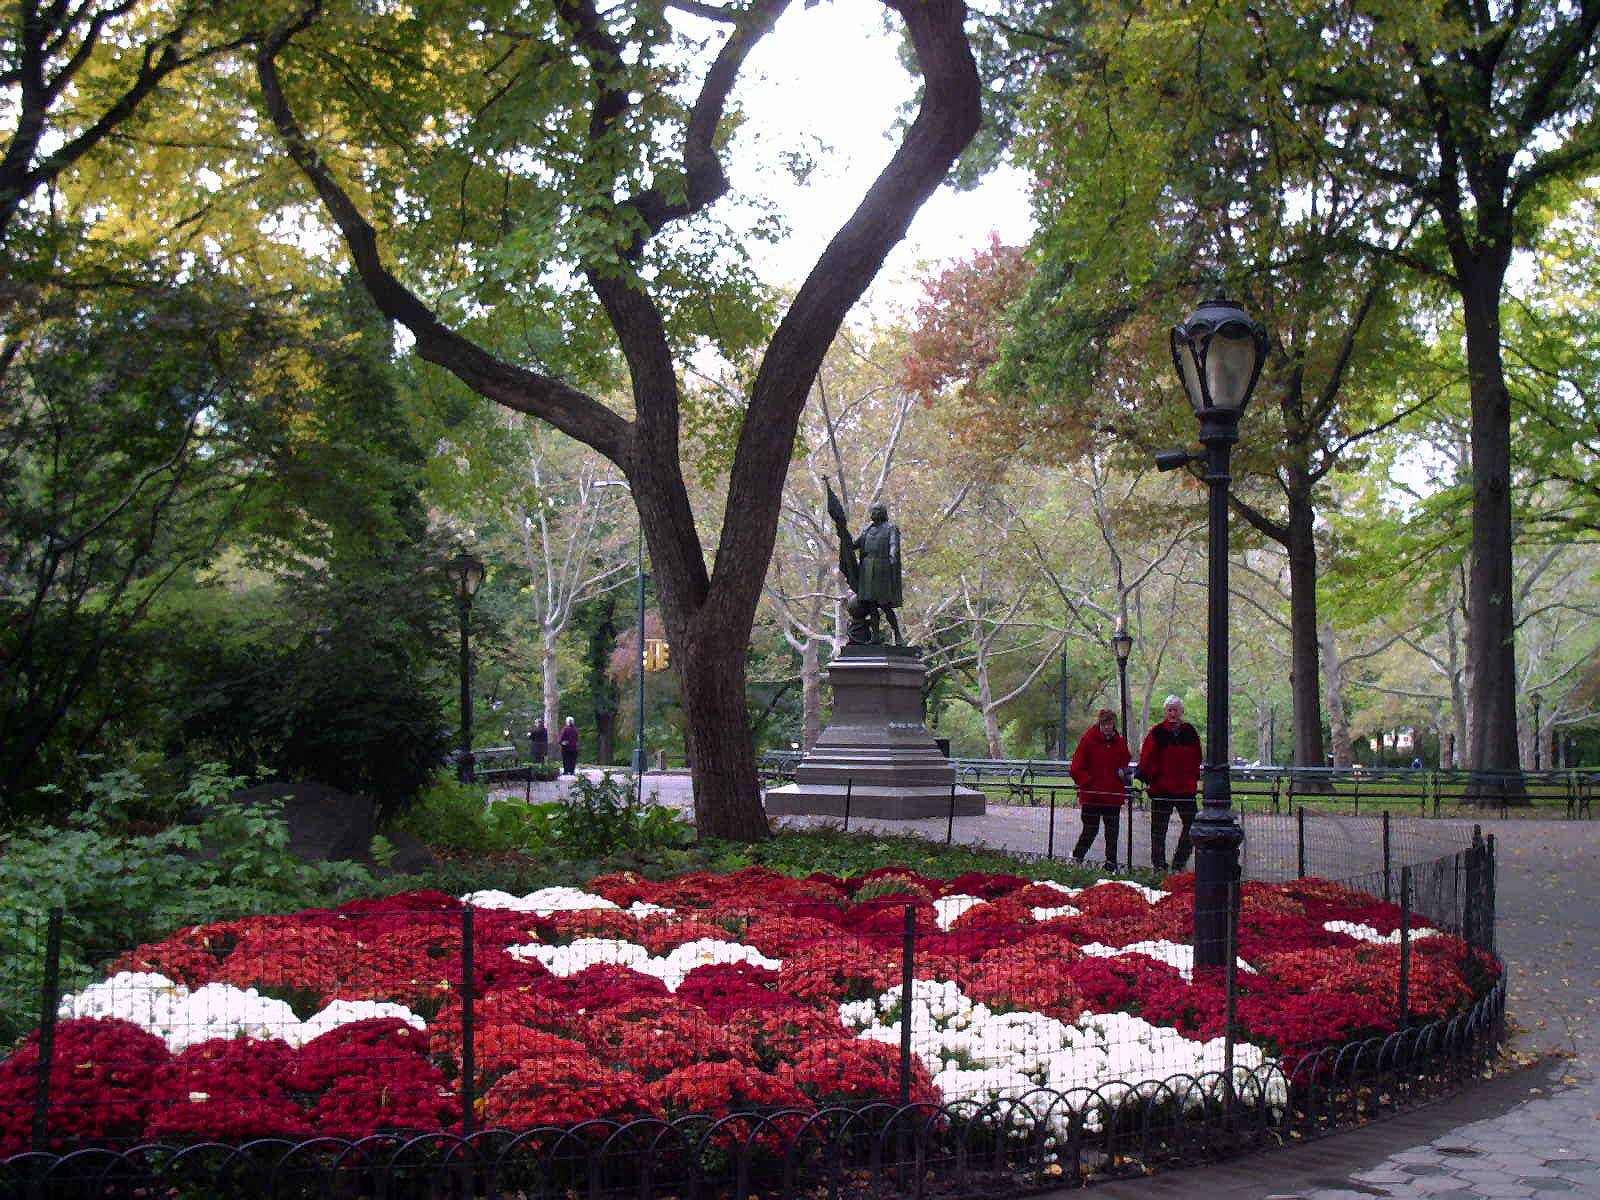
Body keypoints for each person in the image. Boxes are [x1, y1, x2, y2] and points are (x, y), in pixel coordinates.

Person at [1136, 695, 1203, 872]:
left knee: (1193, 826)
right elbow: (1147, 758)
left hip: (1185, 788)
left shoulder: (1190, 732)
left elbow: (1197, 757)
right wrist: (1152, 776)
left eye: (1176, 710)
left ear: (1182, 711)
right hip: (1161, 789)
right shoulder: (1157, 732)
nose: (1172, 713)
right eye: (1169, 710)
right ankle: (1159, 865)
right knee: (1159, 830)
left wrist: (1193, 776)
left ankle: (1179, 862)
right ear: (1166, 712)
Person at [1069, 708, 1131, 869]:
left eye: (1110, 724)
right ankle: (1076, 858)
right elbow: (1076, 767)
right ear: (1100, 723)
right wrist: (1088, 782)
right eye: (1104, 724)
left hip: (1112, 796)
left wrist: (1124, 773)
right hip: (1092, 796)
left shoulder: (1119, 742)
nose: (1107, 727)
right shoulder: (1088, 740)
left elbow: (1125, 761)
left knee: (1112, 833)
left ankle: (1111, 865)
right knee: (1090, 830)